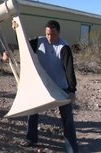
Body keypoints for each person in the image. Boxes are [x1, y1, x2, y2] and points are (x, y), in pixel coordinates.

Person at [20, 20, 78, 152]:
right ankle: (31, 139)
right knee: (32, 112)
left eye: (52, 35)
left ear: (59, 32)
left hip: (60, 86)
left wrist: (72, 90)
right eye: (47, 34)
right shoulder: (39, 41)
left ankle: (72, 149)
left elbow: (69, 70)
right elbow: (23, 46)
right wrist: (16, 28)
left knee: (67, 118)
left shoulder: (64, 47)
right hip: (42, 84)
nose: (49, 38)